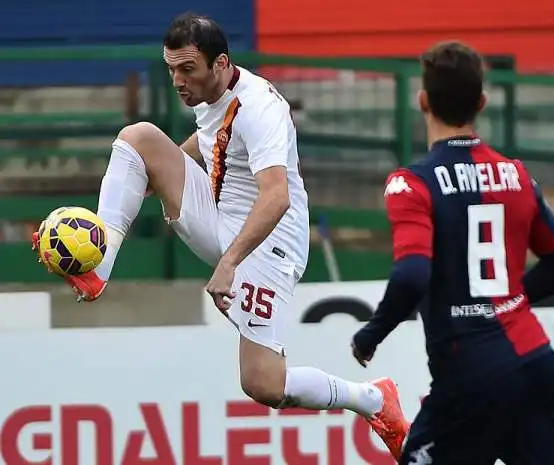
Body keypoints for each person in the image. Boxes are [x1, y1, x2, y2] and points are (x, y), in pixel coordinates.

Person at [31, 11, 408, 456]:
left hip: (268, 247)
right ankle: (99, 264)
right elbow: (209, 144)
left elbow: (276, 197)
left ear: (221, 64)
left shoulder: (260, 109)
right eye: (171, 68)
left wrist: (229, 263)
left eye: (187, 69)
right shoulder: (213, 95)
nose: (177, 80)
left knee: (264, 384)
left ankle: (371, 399)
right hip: (224, 219)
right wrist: (153, 172)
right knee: (140, 141)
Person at [351, 41, 554, 464]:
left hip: (469, 380)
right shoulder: (516, 175)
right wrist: (505, 303)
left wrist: (371, 334)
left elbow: (411, 275)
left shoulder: (413, 183)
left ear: (422, 101)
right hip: (536, 364)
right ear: (481, 102)